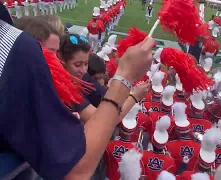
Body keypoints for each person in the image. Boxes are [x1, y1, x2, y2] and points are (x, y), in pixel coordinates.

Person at [0, 3, 156, 179]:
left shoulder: (71, 79)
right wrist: (126, 83)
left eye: (57, 53)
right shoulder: (19, 59)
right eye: (49, 52)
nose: (56, 60)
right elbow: (75, 167)